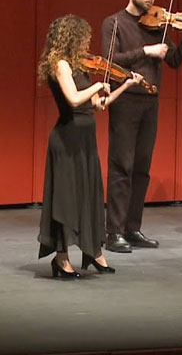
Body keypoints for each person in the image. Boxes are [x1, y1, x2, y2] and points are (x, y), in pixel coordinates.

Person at [102, 0, 182, 253]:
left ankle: (132, 228)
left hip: (151, 102)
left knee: (141, 169)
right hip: (125, 102)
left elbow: (173, 60)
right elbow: (110, 61)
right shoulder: (114, 23)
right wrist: (146, 52)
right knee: (121, 166)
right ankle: (113, 231)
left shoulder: (157, 25)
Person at [37, 14, 144, 278]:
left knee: (87, 196)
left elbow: (98, 105)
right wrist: (98, 84)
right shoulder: (60, 65)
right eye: (83, 37)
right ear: (72, 37)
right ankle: (61, 259)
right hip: (67, 140)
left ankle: (94, 253)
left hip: (85, 141)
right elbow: (74, 99)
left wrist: (124, 85)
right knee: (66, 199)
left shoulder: (81, 66)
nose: (87, 43)